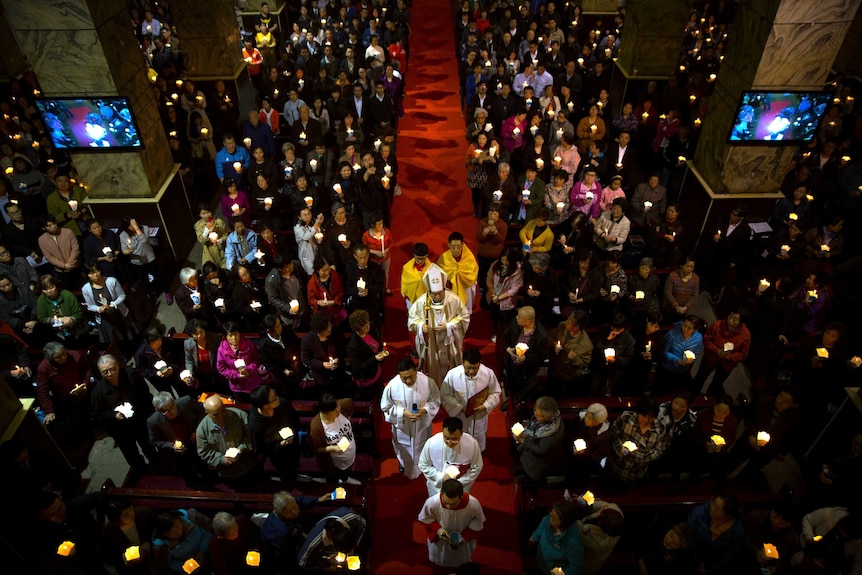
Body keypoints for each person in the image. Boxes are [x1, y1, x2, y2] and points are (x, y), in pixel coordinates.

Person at [90, 354, 156, 474]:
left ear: (118, 366)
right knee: (132, 455)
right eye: (105, 372)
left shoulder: (132, 375)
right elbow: (97, 415)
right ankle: (143, 474)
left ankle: (158, 468)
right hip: (120, 429)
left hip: (140, 420)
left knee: (149, 447)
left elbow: (146, 395)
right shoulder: (98, 392)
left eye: (112, 369)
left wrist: (150, 417)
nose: (109, 374)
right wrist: (113, 415)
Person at [407, 263, 470, 386]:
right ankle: (435, 388)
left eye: (440, 293)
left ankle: (453, 386)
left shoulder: (453, 300)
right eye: (433, 293)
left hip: (449, 342)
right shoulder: (421, 302)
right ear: (428, 291)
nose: (437, 296)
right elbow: (412, 320)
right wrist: (421, 326)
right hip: (431, 342)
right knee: (433, 367)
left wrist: (448, 326)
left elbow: (464, 317)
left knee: (451, 366)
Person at [381, 358, 441, 478]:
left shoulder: (428, 382)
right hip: (403, 427)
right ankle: (403, 464)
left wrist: (424, 410)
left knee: (422, 446)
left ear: (416, 372)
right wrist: (402, 413)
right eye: (404, 378)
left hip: (421, 425)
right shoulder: (392, 386)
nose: (408, 381)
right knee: (403, 448)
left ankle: (422, 466)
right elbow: (385, 407)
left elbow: (435, 400)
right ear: (399, 375)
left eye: (411, 377)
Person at [440, 347, 502, 452]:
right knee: (460, 443)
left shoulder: (487, 373)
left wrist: (485, 406)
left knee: (478, 440)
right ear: (462, 363)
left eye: (475, 368)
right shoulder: (453, 375)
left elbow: (495, 392)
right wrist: (460, 407)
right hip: (460, 416)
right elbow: (445, 395)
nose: (472, 371)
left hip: (479, 416)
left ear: (480, 364)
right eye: (468, 368)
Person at [418, 478, 486, 568]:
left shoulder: (473, 504)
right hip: (440, 542)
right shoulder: (432, 502)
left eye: (454, 503)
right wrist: (438, 530)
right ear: (442, 494)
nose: (449, 506)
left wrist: (465, 537)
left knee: (463, 564)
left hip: (463, 540)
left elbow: (478, 521)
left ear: (461, 497)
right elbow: (426, 518)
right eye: (446, 502)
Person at [261, 491, 330, 572]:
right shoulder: (281, 532)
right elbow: (285, 556)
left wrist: (318, 500)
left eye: (294, 507)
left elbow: (300, 501)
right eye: (289, 511)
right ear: (282, 514)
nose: (295, 511)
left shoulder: (289, 503)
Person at [607, 396, 668, 484]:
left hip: (640, 473)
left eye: (651, 417)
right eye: (644, 416)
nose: (647, 420)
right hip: (619, 469)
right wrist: (621, 451)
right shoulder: (626, 419)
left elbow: (659, 451)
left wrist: (636, 456)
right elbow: (613, 436)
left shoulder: (660, 428)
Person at [691, 309, 751, 396]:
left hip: (727, 364)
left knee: (717, 383)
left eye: (735, 319)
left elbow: (743, 354)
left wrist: (728, 356)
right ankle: (693, 397)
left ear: (741, 323)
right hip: (711, 358)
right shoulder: (718, 325)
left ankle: (708, 401)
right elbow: (707, 339)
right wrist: (717, 351)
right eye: (730, 316)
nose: (730, 320)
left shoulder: (745, 335)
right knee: (700, 378)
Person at [196, 394, 257, 481]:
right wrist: (222, 459)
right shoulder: (202, 429)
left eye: (222, 411)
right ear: (207, 413)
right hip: (226, 472)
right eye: (215, 415)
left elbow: (251, 436)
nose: (221, 416)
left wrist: (241, 449)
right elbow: (204, 452)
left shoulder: (240, 416)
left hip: (247, 465)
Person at [247, 385, 300, 483]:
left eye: (275, 394)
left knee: (295, 463)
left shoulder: (282, 403)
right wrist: (279, 445)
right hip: (278, 455)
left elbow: (295, 419)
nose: (278, 398)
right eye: (274, 398)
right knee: (286, 474)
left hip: (293, 444)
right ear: (265, 406)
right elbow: (260, 448)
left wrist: (293, 431)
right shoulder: (255, 426)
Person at [419, 417, 484, 496]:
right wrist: (441, 477)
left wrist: (461, 482)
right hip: (438, 488)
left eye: (454, 439)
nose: (450, 443)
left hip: (461, 487)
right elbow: (423, 464)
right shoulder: (432, 443)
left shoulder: (472, 444)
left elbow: (476, 466)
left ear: (461, 433)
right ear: (442, 430)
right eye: (446, 438)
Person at [36, 341, 91, 433]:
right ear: (51, 359)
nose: (63, 357)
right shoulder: (44, 368)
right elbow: (42, 391)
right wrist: (49, 411)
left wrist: (85, 382)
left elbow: (86, 369)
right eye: (58, 357)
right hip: (64, 397)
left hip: (84, 389)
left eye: (63, 353)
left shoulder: (74, 355)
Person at [147, 391, 205, 477]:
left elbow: (201, 412)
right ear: (158, 410)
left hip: (194, 440)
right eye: (166, 411)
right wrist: (171, 446)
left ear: (174, 401)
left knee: (202, 465)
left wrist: (196, 430)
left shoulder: (186, 401)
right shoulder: (153, 421)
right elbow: (154, 441)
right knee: (187, 471)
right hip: (177, 452)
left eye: (173, 407)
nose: (172, 412)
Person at [81, 260, 135, 347]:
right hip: (104, 317)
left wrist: (113, 304)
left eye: (97, 271)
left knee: (126, 334)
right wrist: (99, 309)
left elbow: (122, 296)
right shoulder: (86, 289)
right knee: (113, 338)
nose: (95, 275)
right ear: (87, 275)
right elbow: (90, 306)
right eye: (91, 273)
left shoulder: (111, 281)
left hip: (118, 313)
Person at [513, 395, 567, 482]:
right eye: (535, 411)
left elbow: (541, 450)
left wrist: (524, 440)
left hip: (538, 462)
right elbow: (535, 424)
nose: (536, 417)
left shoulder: (551, 433)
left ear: (549, 417)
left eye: (540, 416)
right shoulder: (548, 418)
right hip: (532, 444)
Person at [503, 305, 549, 403]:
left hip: (527, 370)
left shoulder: (542, 336)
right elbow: (505, 337)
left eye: (519, 317)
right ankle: (510, 399)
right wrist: (508, 349)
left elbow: (541, 356)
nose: (516, 318)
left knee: (523, 391)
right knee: (511, 383)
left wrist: (526, 358)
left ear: (528, 322)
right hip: (511, 364)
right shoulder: (515, 323)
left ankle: (518, 401)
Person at [687, 495, 744, 574]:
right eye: (713, 503)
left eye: (717, 508)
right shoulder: (699, 513)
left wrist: (710, 569)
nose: (712, 508)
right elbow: (689, 536)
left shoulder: (736, 531)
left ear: (728, 515)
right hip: (695, 557)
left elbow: (730, 556)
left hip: (716, 565)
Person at [297, 507, 367, 571]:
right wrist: (328, 562)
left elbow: (363, 524)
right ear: (332, 544)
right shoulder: (314, 543)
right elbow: (302, 563)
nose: (350, 554)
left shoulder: (353, 518)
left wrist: (354, 548)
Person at [309, 393, 358, 483]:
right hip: (335, 462)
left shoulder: (342, 406)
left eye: (338, 407)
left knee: (346, 472)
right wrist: (333, 448)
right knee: (334, 478)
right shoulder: (316, 426)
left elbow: (350, 402)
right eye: (335, 412)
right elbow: (316, 448)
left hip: (350, 453)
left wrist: (349, 415)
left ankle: (345, 478)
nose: (339, 411)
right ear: (325, 413)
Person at [529, 500, 584, 575]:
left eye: (554, 518)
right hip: (541, 559)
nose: (550, 519)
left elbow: (576, 566)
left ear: (564, 522)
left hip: (551, 569)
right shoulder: (549, 519)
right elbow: (542, 527)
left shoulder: (573, 542)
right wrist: (534, 537)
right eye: (551, 514)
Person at [152, 509, 213, 575]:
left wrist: (202, 551)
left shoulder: (192, 516)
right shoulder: (160, 546)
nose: (178, 532)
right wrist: (183, 567)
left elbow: (209, 530)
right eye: (172, 533)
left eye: (177, 526)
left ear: (178, 518)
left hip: (208, 554)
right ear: (164, 534)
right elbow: (166, 565)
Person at [216, 321, 268, 400]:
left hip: (253, 382)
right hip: (237, 386)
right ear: (225, 336)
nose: (234, 338)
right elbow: (221, 368)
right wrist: (236, 375)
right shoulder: (222, 350)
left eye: (236, 334)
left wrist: (248, 370)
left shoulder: (248, 344)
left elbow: (256, 359)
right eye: (230, 335)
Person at [548, 310, 594, 397]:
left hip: (567, 377)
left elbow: (584, 364)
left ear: (576, 327)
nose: (566, 322)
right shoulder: (562, 326)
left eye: (569, 321)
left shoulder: (585, 344)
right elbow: (550, 338)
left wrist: (575, 358)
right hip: (553, 370)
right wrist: (554, 345)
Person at [346, 309, 386, 399]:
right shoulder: (353, 346)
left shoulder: (370, 328)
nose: (368, 326)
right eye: (364, 326)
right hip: (367, 377)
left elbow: (377, 341)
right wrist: (375, 359)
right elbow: (358, 368)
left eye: (368, 323)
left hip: (376, 370)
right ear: (357, 328)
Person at [578, 498, 625, 575]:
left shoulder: (602, 542)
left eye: (600, 517)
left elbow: (578, 533)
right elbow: (602, 505)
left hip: (587, 562)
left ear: (602, 527)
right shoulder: (614, 509)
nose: (599, 513)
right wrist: (587, 504)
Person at [658, 315, 704, 391]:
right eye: (684, 325)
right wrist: (677, 360)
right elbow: (665, 351)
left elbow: (696, 353)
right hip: (667, 367)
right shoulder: (672, 333)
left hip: (682, 370)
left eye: (689, 328)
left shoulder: (698, 338)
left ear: (695, 329)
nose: (685, 329)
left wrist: (690, 360)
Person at [37, 213, 81, 287]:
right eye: (49, 225)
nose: (54, 226)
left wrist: (69, 263)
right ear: (43, 228)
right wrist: (64, 266)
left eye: (54, 223)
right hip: (61, 271)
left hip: (76, 266)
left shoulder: (67, 232)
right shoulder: (42, 240)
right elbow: (49, 257)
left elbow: (75, 248)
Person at [194, 205, 228, 269]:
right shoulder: (198, 226)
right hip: (209, 252)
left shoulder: (219, 222)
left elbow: (225, 235)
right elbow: (201, 240)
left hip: (221, 250)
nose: (207, 215)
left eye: (208, 212)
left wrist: (219, 241)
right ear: (199, 215)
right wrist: (207, 229)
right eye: (203, 214)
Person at [401, 242, 431, 307]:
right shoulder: (407, 268)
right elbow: (405, 283)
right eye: (418, 258)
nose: (420, 261)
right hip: (412, 299)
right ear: (414, 255)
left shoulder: (432, 268)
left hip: (426, 299)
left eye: (422, 258)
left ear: (427, 255)